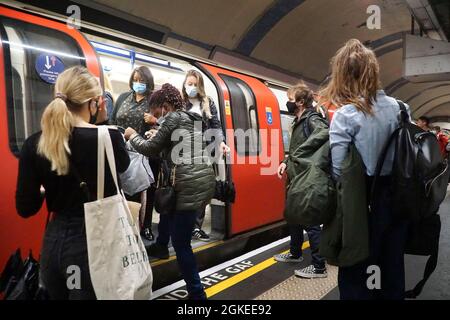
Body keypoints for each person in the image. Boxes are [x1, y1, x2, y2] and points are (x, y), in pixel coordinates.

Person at [15, 66, 130, 300]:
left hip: (53, 246)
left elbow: (25, 208)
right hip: (91, 247)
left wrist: (44, 188)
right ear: (94, 103)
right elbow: (123, 168)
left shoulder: (34, 144)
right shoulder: (110, 139)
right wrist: (102, 121)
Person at [324, 39, 411, 300]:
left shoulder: (346, 115)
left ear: (343, 75)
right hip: (398, 198)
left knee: (357, 267)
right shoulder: (402, 109)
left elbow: (338, 171)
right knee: (392, 265)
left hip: (363, 203)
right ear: (374, 71)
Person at [124, 83, 215, 300]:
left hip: (186, 186)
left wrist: (133, 135)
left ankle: (197, 294)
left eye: (156, 112)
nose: (156, 115)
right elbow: (178, 148)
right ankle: (162, 246)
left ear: (165, 106)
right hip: (200, 182)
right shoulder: (191, 119)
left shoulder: (173, 118)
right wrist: (159, 136)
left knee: (182, 244)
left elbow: (150, 149)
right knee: (172, 221)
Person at [275, 83, 328, 278]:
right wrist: (286, 161)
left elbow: (324, 133)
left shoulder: (312, 119)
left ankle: (319, 266)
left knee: (310, 221)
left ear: (300, 101)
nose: (288, 103)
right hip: (296, 176)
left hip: (306, 177)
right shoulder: (299, 120)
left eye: (290, 100)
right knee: (294, 215)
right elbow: (296, 149)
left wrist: (300, 154)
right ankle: (295, 253)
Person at [110, 66, 158, 241]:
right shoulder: (123, 97)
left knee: (145, 191)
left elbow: (163, 126)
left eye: (142, 81)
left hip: (145, 151)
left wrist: (154, 121)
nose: (138, 84)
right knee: (125, 189)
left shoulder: (154, 101)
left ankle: (145, 226)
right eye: (135, 80)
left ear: (148, 83)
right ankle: (127, 225)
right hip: (123, 150)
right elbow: (113, 119)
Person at [182, 69, 230, 241]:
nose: (192, 87)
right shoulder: (181, 103)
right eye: (190, 84)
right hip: (184, 152)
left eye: (195, 84)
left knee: (203, 190)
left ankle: (196, 227)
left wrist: (222, 142)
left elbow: (215, 125)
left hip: (205, 151)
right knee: (188, 190)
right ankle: (185, 225)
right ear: (185, 84)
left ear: (200, 86)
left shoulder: (207, 103)